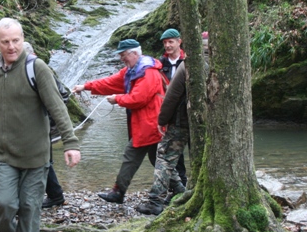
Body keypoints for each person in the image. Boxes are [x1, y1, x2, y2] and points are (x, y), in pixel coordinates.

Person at [0, 18, 81, 232]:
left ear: (22, 38)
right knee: (3, 203)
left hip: (35, 156)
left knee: (30, 209)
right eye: (5, 41)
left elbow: (57, 107)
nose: (11, 46)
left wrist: (70, 143)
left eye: (16, 40)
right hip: (2, 154)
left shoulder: (36, 68)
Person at [72, 39, 165, 204]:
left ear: (135, 53)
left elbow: (138, 98)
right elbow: (110, 82)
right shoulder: (131, 71)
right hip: (145, 125)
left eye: (124, 55)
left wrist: (118, 99)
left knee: (150, 159)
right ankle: (119, 192)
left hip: (151, 125)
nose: (122, 58)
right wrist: (85, 86)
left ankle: (119, 192)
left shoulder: (148, 72)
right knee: (155, 160)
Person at [136, 32, 210, 216]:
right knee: (202, 157)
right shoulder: (225, 66)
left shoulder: (188, 65)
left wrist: (162, 120)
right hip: (209, 124)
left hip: (182, 122)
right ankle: (188, 193)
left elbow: (172, 97)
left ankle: (155, 201)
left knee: (165, 157)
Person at [22, 42, 66, 209]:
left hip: (42, 125)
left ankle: (54, 196)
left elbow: (62, 97)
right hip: (29, 126)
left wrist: (49, 120)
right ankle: (54, 195)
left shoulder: (41, 71)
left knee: (44, 161)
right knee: (41, 161)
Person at [158, 28, 188, 191]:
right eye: (165, 43)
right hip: (172, 115)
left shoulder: (189, 60)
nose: (168, 46)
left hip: (189, 112)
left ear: (179, 42)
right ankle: (180, 187)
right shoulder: (159, 65)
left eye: (171, 42)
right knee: (176, 154)